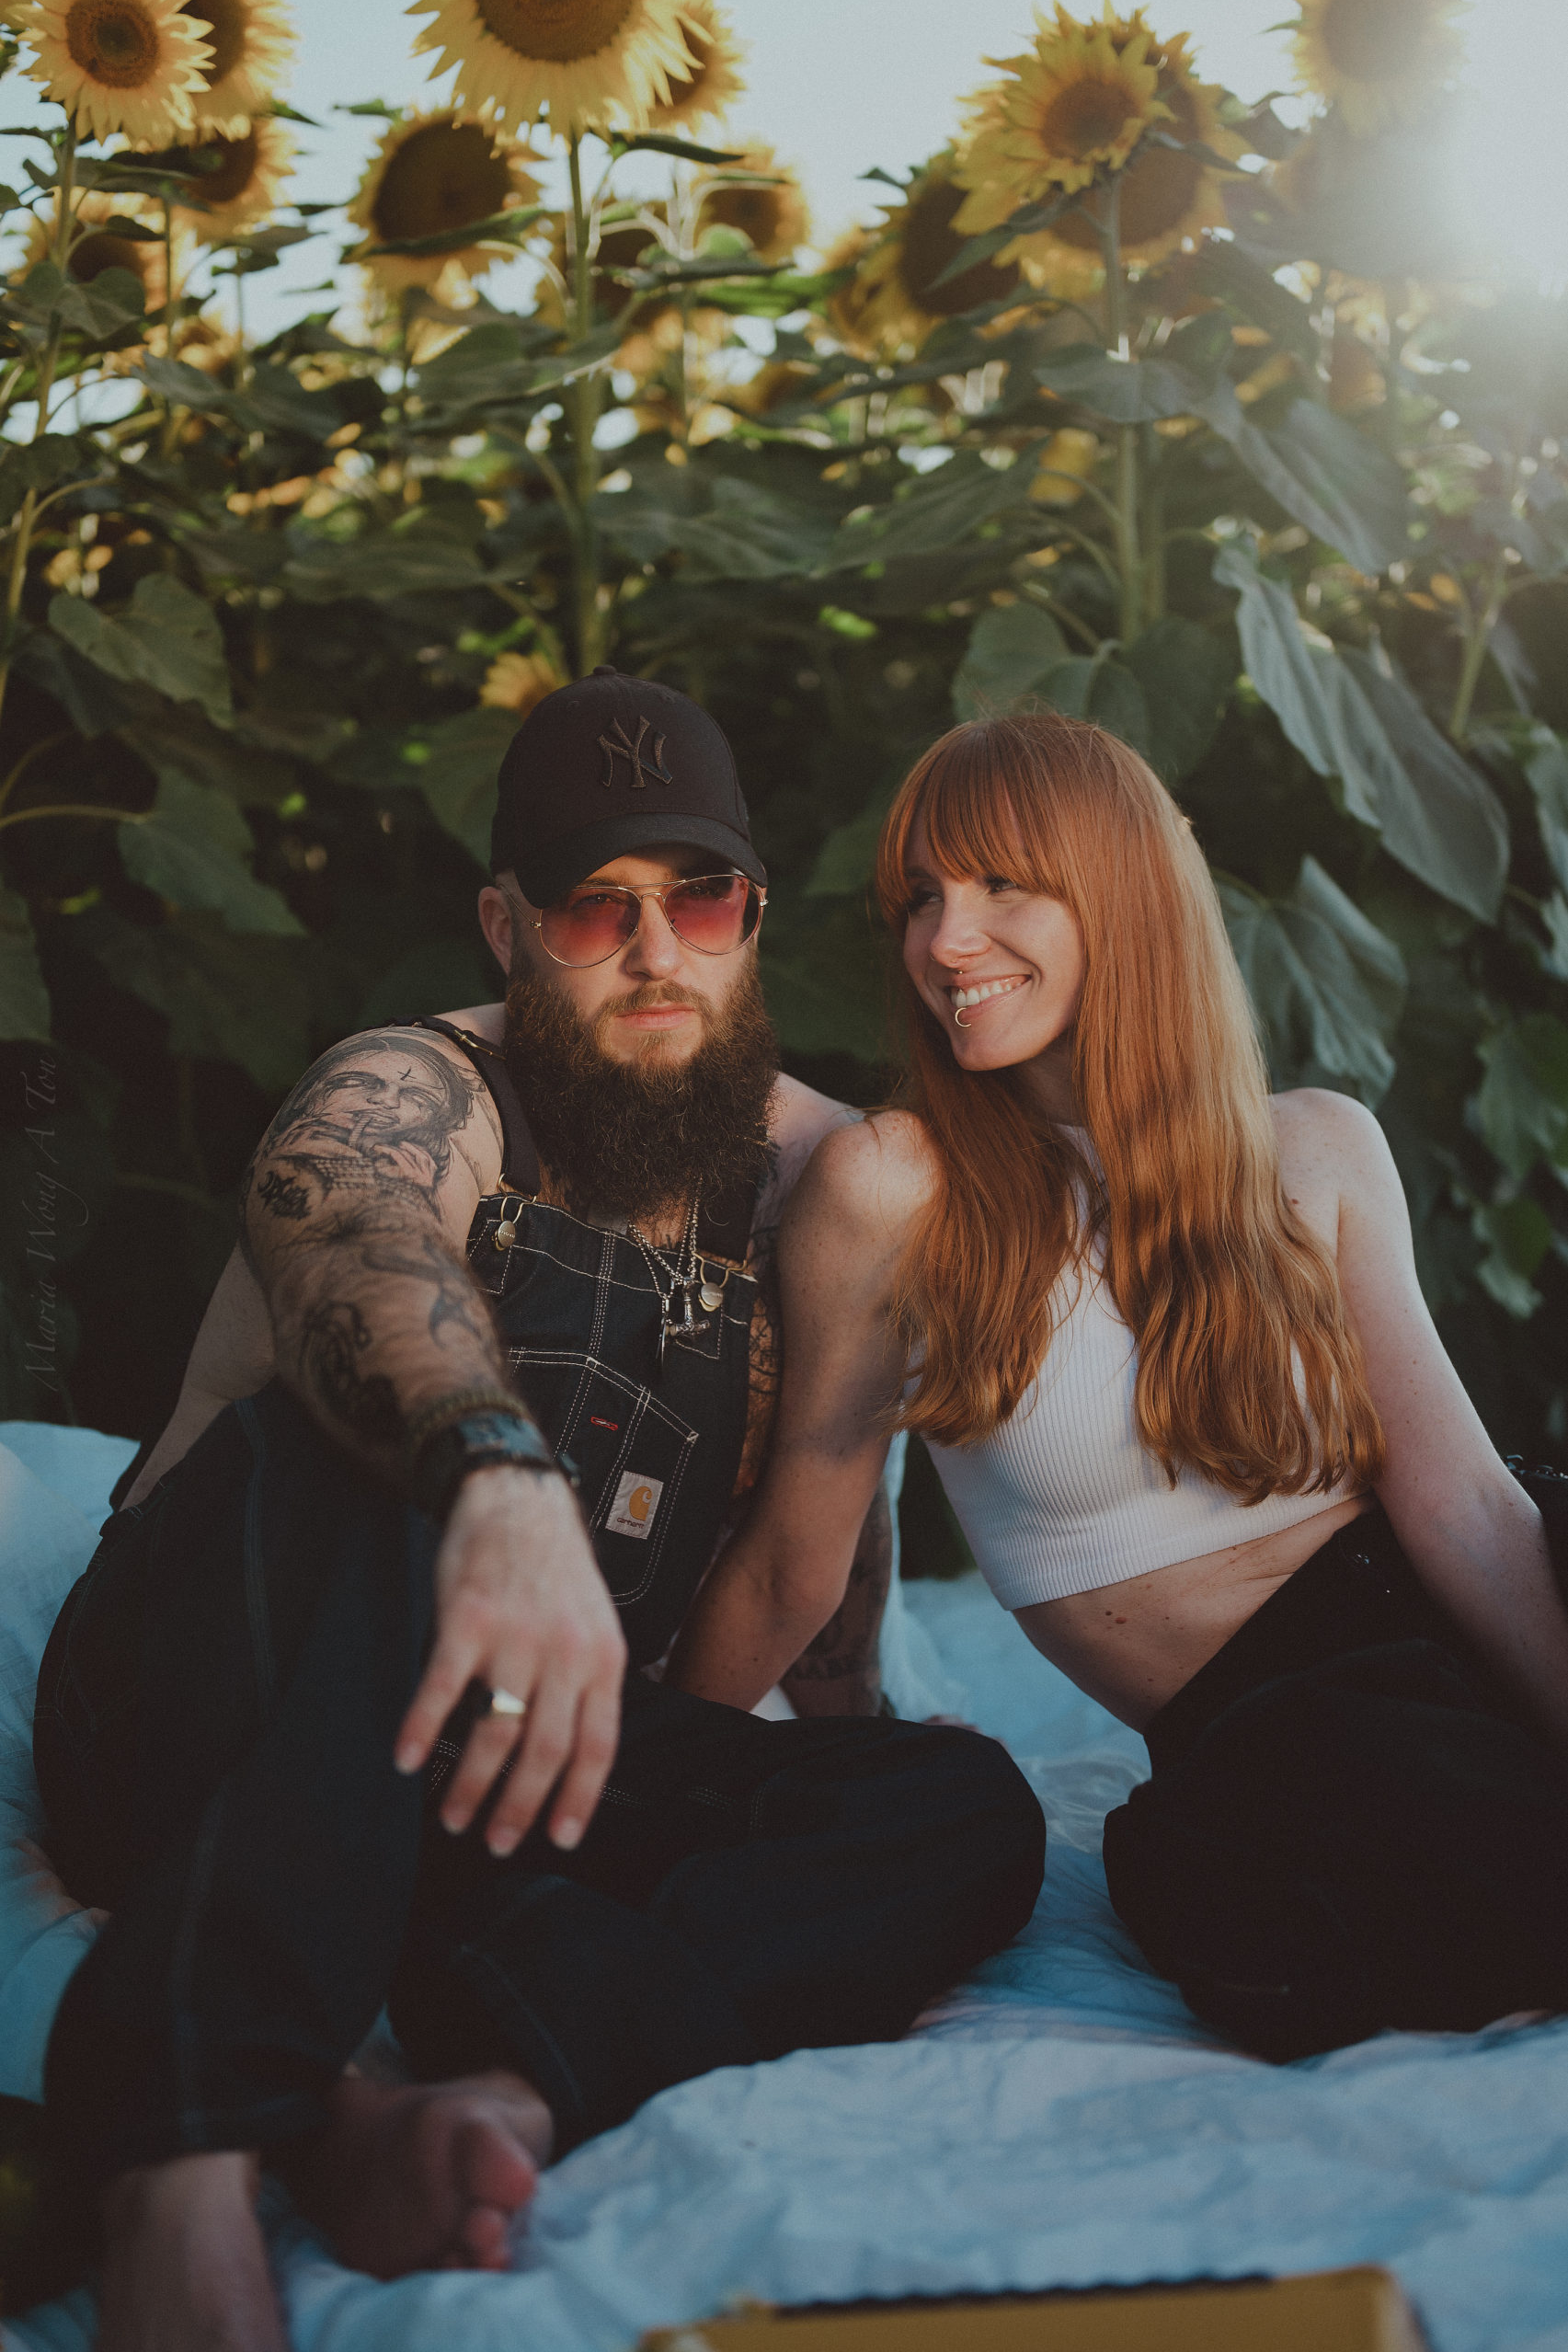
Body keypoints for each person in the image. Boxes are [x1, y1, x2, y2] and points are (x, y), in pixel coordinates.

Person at [30, 670, 1046, 2352]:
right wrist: (493, 1484)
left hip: (491, 1773)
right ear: (507, 929)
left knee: (956, 1808)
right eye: (595, 908)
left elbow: (825, 1589)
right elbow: (355, 1242)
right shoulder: (411, 1092)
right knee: (346, 1459)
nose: (657, 952)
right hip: (213, 1703)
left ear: (750, 923)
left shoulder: (819, 1180)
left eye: (698, 899)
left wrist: (801, 1782)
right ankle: (185, 2158)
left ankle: (464, 2095)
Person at [671, 705, 1568, 2070]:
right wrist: (637, 1789)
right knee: (1314, 1824)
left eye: (1000, 884)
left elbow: (1467, 1511)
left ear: (1124, 892)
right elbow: (797, 1557)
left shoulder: (1315, 1147)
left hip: (1473, 1612)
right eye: (920, 897)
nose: (944, 941)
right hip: (1284, 1732)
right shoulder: (898, 1192)